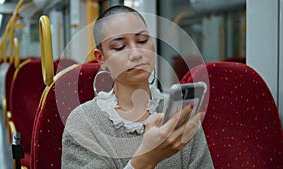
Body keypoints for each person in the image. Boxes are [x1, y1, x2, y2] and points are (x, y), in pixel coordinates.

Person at [62, 5, 214, 169]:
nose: (136, 54)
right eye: (120, 46)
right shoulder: (83, 124)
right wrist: (145, 160)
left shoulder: (180, 112)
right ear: (101, 58)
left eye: (142, 41)